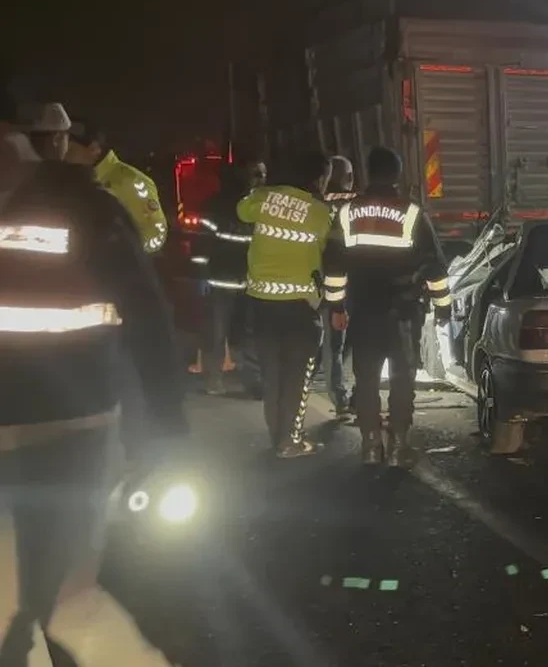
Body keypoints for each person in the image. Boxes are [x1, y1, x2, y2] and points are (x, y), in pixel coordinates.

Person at [0, 158, 187, 665]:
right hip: (72, 419)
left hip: (68, 421)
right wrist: (166, 429)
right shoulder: (85, 205)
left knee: (29, 594)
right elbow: (147, 312)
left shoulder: (87, 202)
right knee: (66, 594)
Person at [324, 147, 450, 466]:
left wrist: (336, 307)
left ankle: (370, 444)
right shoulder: (411, 212)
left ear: (368, 172)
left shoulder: (347, 213)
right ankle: (398, 445)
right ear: (397, 174)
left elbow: (334, 265)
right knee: (402, 377)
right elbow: (434, 266)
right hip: (403, 312)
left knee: (365, 377)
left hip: (364, 311)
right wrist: (444, 306)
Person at [238, 151, 333, 457]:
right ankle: (289, 441)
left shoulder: (263, 199)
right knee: (297, 376)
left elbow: (242, 210)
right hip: (300, 306)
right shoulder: (320, 211)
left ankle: (277, 437)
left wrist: (262, 188)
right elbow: (327, 250)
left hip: (262, 302)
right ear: (317, 177)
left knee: (273, 375)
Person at [192, 155, 266, 396]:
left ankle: (253, 381)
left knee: (251, 332)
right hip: (220, 280)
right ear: (242, 175)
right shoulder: (217, 205)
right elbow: (202, 243)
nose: (261, 179)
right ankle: (213, 379)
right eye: (256, 174)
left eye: (264, 174)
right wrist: (201, 273)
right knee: (216, 331)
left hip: (251, 281)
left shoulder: (263, 206)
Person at [65, 121, 168, 255]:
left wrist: (120, 253)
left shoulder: (131, 181)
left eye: (69, 146)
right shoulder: (71, 180)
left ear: (93, 148)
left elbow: (156, 232)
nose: (63, 152)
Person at [320, 156, 359, 415]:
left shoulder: (318, 204)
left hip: (329, 285)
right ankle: (358, 394)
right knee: (357, 343)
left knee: (334, 344)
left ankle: (339, 396)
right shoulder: (358, 203)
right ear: (349, 177)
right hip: (359, 283)